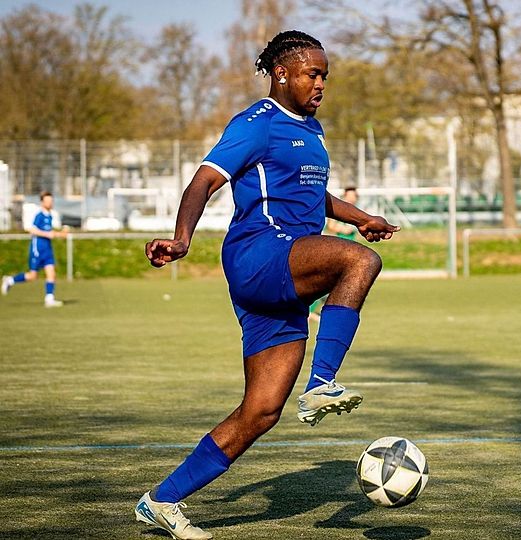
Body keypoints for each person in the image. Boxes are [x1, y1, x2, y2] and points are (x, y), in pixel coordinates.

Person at [135, 30, 399, 539]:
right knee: (360, 263)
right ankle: (322, 384)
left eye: (324, 75)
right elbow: (204, 180)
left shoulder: (312, 128)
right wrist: (181, 239)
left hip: (283, 271)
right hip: (260, 253)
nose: (321, 83)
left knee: (261, 411)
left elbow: (313, 193)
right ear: (282, 72)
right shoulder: (256, 123)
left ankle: (160, 501)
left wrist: (360, 215)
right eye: (312, 74)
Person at [2, 191, 68, 307]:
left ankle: (49, 299)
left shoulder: (50, 215)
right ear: (42, 202)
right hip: (37, 249)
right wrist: (47, 234)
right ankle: (10, 280)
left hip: (48, 249)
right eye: (47, 201)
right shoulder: (39, 215)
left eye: (51, 201)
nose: (50, 203)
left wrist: (60, 234)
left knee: (51, 274)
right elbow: (32, 230)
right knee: (32, 276)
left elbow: (50, 233)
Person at [309, 187, 360, 322]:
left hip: (349, 253)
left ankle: (329, 311)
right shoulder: (339, 211)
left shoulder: (357, 212)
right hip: (335, 252)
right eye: (349, 196)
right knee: (326, 283)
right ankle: (310, 311)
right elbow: (331, 226)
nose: (351, 199)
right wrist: (343, 229)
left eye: (353, 196)